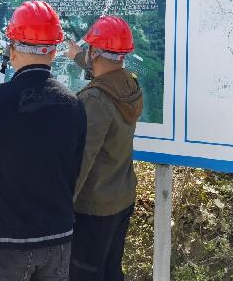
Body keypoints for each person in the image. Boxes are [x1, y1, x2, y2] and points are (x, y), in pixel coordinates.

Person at [0, 0, 87, 281]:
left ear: (12, 49)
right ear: (53, 51)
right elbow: (74, 170)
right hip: (57, 235)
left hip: (5, 238)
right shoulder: (74, 104)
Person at [66, 16, 143, 281]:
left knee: (84, 274)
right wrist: (78, 57)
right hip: (120, 199)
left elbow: (81, 160)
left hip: (93, 209)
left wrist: (62, 207)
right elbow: (105, 73)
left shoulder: (95, 100)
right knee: (110, 270)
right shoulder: (129, 85)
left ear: (95, 53)